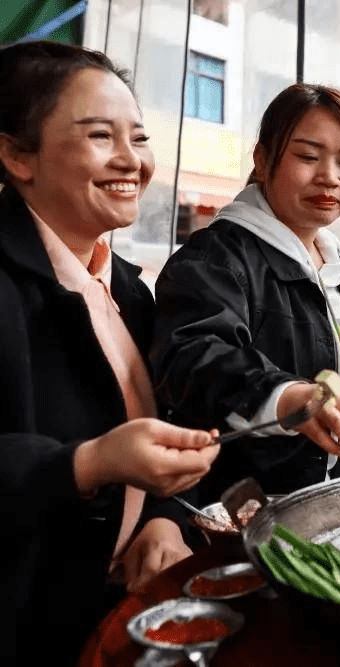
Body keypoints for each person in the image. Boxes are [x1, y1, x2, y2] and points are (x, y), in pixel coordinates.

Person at [0, 41, 220, 664]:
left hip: (110, 614)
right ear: (16, 154)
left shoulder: (125, 284)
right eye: (101, 136)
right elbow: (96, 454)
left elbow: (158, 432)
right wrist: (90, 462)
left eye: (140, 138)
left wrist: (163, 518)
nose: (132, 161)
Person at [151, 84, 340, 502]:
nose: (329, 177)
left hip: (335, 496)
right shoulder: (216, 258)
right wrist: (285, 396)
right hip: (245, 502)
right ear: (263, 161)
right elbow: (192, 355)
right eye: (307, 156)